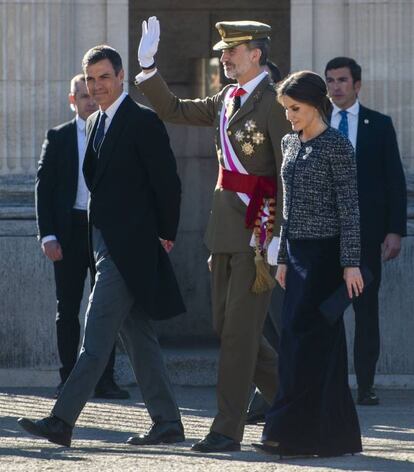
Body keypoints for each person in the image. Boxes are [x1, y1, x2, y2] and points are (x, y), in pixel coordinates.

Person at [18, 45, 186, 448]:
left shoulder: (143, 121)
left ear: (122, 76)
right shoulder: (95, 123)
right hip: (104, 245)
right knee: (139, 338)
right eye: (91, 79)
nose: (97, 86)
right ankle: (168, 423)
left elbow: (168, 183)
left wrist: (166, 233)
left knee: (95, 339)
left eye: (104, 77)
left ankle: (62, 420)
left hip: (132, 249)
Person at [135, 17, 289, 452]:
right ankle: (296, 403)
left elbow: (283, 174)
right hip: (223, 230)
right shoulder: (228, 97)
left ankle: (226, 430)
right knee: (227, 327)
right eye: (223, 51)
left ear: (256, 54)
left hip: (257, 232)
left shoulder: (276, 102)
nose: (224, 57)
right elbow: (175, 110)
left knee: (240, 336)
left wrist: (278, 236)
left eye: (232, 51)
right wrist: (148, 70)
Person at [253, 71, 363, 457]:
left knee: (307, 345)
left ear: (316, 105)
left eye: (295, 108)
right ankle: (333, 437)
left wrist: (351, 264)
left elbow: (350, 209)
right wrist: (282, 257)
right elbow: (288, 208)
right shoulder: (288, 143)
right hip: (297, 255)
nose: (289, 116)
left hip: (327, 258)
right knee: (312, 346)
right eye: (286, 109)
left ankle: (287, 434)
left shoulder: (338, 147)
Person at [35, 73, 129, 401]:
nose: (90, 99)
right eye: (83, 94)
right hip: (68, 231)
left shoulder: (112, 132)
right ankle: (68, 377)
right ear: (72, 99)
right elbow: (43, 189)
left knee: (107, 307)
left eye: (93, 93)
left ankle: (105, 380)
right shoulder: (58, 137)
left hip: (104, 228)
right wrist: (47, 235)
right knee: (69, 307)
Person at [325, 57, 407, 406]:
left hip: (367, 235)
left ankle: (366, 384)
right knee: (325, 311)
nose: (336, 87)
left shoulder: (379, 124)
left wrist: (395, 231)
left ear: (357, 85)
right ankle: (328, 382)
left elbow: (394, 181)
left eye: (342, 80)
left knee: (365, 311)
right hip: (324, 234)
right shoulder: (314, 123)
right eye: (330, 81)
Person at [246, 58, 284, 425]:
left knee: (282, 324)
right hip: (252, 234)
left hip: (280, 239)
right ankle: (267, 395)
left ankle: (283, 398)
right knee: (259, 326)